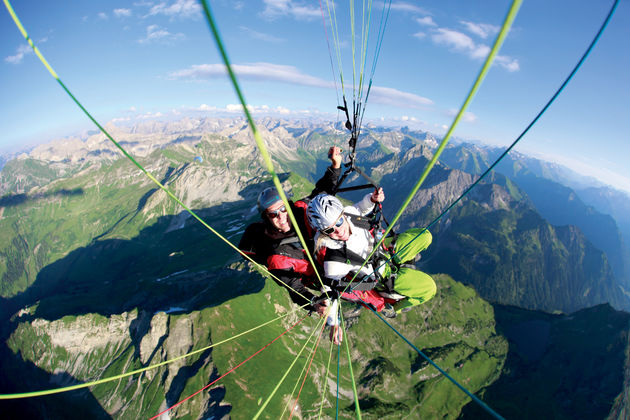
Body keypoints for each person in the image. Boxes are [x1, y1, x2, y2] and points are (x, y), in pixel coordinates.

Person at [306, 190, 437, 342]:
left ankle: (402, 261)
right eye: (329, 230)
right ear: (322, 232)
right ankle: (396, 308)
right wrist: (334, 323)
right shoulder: (334, 260)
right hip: (384, 277)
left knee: (425, 236)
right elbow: (329, 292)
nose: (338, 230)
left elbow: (360, 208)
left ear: (342, 214)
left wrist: (372, 199)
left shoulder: (349, 213)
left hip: (384, 249)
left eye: (339, 222)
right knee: (430, 289)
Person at [238, 147, 343, 317]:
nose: (281, 217)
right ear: (267, 218)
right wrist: (315, 304)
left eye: (283, 209)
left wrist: (335, 166)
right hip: (321, 277)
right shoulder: (276, 256)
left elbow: (321, 192)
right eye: (273, 214)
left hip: (333, 254)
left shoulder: (301, 211)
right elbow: (293, 286)